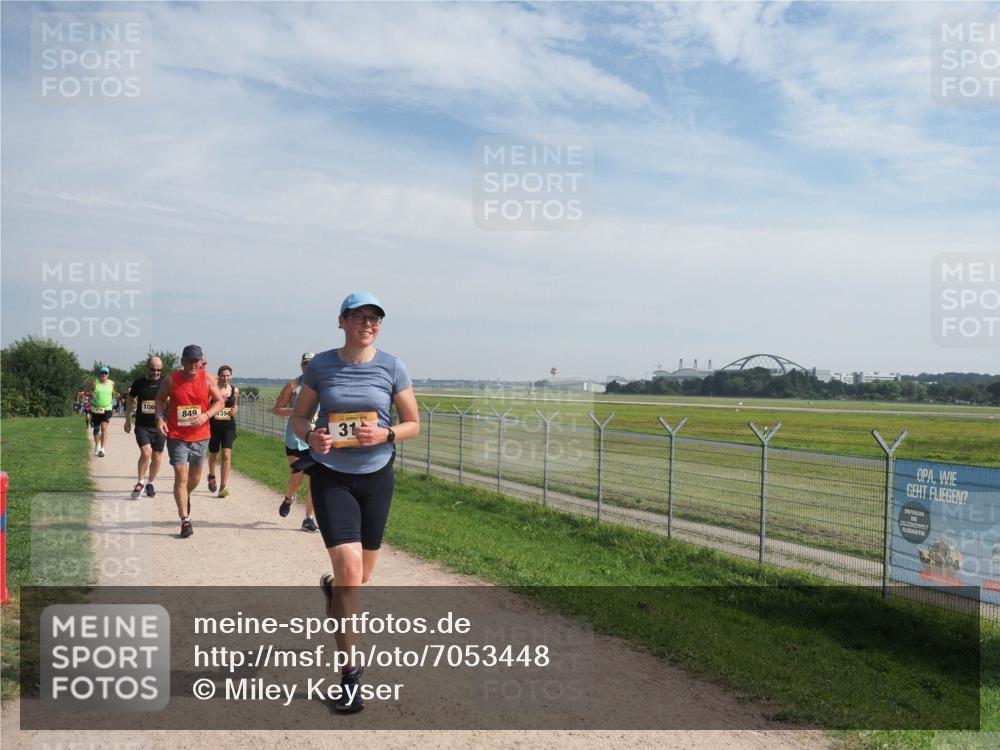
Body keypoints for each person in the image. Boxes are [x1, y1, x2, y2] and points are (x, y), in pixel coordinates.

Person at [291, 292, 419, 712]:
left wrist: (386, 434)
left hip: (377, 477)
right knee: (348, 572)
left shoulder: (393, 366)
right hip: (332, 478)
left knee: (358, 580)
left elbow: (413, 423)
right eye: (360, 316)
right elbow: (299, 416)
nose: (368, 323)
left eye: (375, 318)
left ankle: (334, 592)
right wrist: (312, 436)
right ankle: (350, 676)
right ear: (342, 321)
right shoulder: (324, 365)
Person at [155, 345, 225, 539]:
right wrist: (159, 418)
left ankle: (185, 496)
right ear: (183, 361)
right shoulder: (171, 380)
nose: (193, 364)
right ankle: (185, 520)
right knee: (181, 474)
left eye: (196, 361)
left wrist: (206, 415)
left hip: (201, 435)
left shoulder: (208, 379)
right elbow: (160, 400)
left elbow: (220, 402)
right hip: (177, 435)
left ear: (201, 361)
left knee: (194, 478)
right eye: (189, 361)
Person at [273, 352, 319, 532]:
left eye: (313, 364)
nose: (309, 367)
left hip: (317, 437)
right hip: (296, 438)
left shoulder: (323, 385)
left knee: (316, 480)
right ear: (301, 366)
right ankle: (289, 497)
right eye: (306, 364)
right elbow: (277, 409)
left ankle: (308, 518)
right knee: (297, 476)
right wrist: (296, 412)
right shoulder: (293, 385)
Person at [124, 356, 166, 499]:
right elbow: (130, 400)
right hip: (142, 425)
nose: (155, 373)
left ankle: (151, 483)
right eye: (153, 370)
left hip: (160, 425)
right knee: (146, 452)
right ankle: (140, 482)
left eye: (159, 370)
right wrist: (128, 419)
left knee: (157, 456)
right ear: (147, 368)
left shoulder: (166, 382)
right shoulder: (138, 383)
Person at [207, 365, 239, 498]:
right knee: (214, 454)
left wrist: (235, 410)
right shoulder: (212, 389)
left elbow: (235, 405)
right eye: (223, 375)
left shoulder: (235, 390)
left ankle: (223, 486)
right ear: (219, 376)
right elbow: (206, 405)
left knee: (226, 454)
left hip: (228, 426)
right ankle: (212, 475)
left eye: (228, 375)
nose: (225, 378)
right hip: (214, 425)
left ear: (231, 376)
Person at [85, 366, 115, 457]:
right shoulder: (95, 383)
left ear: (108, 374)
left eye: (105, 373)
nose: (103, 375)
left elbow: (112, 393)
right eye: (102, 373)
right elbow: (86, 392)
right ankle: (97, 446)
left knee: (104, 428)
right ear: (100, 374)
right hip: (96, 408)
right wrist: (91, 394)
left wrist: (112, 401)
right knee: (96, 429)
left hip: (107, 408)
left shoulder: (112, 383)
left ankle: (102, 449)